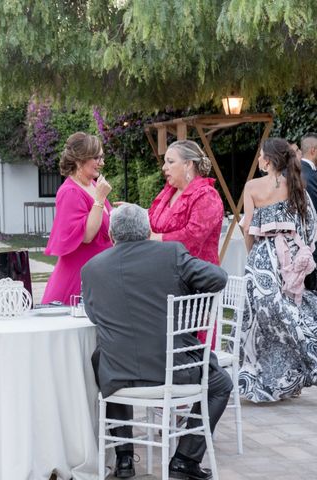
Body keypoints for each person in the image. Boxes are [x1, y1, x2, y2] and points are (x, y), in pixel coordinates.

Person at [82, 203, 231, 480]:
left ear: (112, 236)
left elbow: (92, 314)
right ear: (149, 230)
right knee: (221, 383)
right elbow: (218, 278)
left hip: (118, 375)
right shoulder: (171, 254)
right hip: (173, 370)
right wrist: (187, 294)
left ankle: (125, 458)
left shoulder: (91, 269)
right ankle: (185, 459)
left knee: (105, 357)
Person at [239, 137, 317, 402]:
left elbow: (248, 227)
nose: (259, 159)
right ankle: (292, 373)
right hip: (291, 259)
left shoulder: (252, 186)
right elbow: (309, 224)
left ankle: (263, 378)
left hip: (263, 257)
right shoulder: (295, 184)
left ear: (268, 160)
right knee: (288, 312)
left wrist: (254, 258)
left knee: (260, 322)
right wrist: (303, 251)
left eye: (261, 155)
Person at [41, 132, 113, 305]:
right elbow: (87, 235)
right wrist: (100, 199)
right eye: (96, 157)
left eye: (101, 157)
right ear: (80, 160)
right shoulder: (70, 192)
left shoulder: (93, 185)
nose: (101, 163)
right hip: (79, 278)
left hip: (98, 274)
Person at [148, 140, 223, 265]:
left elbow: (193, 238)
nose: (164, 167)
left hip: (196, 276)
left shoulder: (207, 196)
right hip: (165, 271)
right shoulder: (168, 192)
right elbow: (151, 223)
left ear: (188, 164)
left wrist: (156, 238)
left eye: (170, 162)